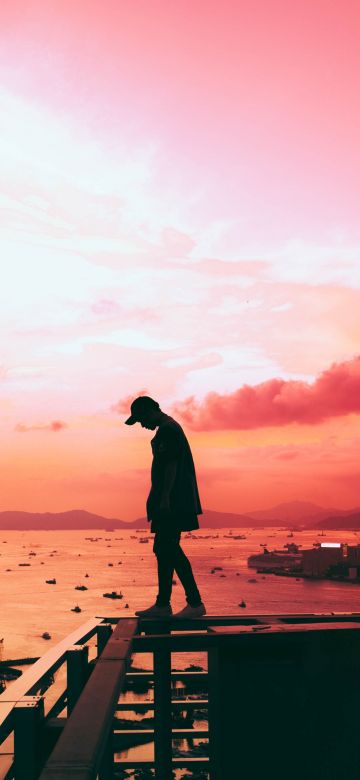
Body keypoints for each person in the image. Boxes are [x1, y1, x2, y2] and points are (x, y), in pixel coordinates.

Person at [125, 395, 206, 618]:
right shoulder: (169, 428)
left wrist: (164, 499)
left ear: (152, 410)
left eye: (141, 419)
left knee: (167, 548)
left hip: (174, 502)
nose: (142, 425)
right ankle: (163, 604)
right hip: (175, 500)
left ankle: (194, 603)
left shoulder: (168, 430)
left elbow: (171, 465)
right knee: (164, 549)